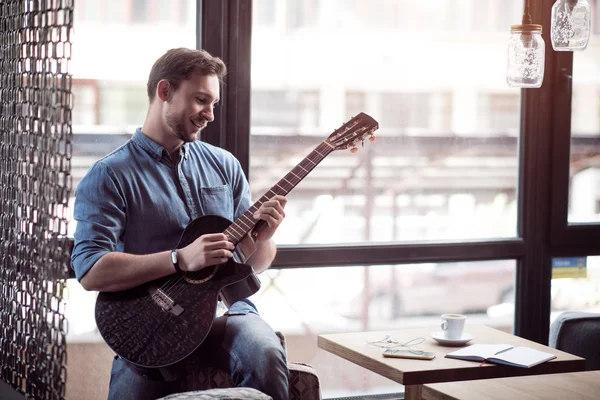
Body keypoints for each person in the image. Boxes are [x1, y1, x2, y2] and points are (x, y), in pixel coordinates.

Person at [71, 48, 289, 400]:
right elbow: (90, 270)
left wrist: (263, 238)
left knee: (265, 353)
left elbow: (254, 262)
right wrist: (179, 258)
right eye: (201, 100)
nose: (210, 115)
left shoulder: (225, 165)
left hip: (228, 316)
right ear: (164, 92)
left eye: (214, 103)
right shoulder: (109, 175)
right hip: (152, 325)